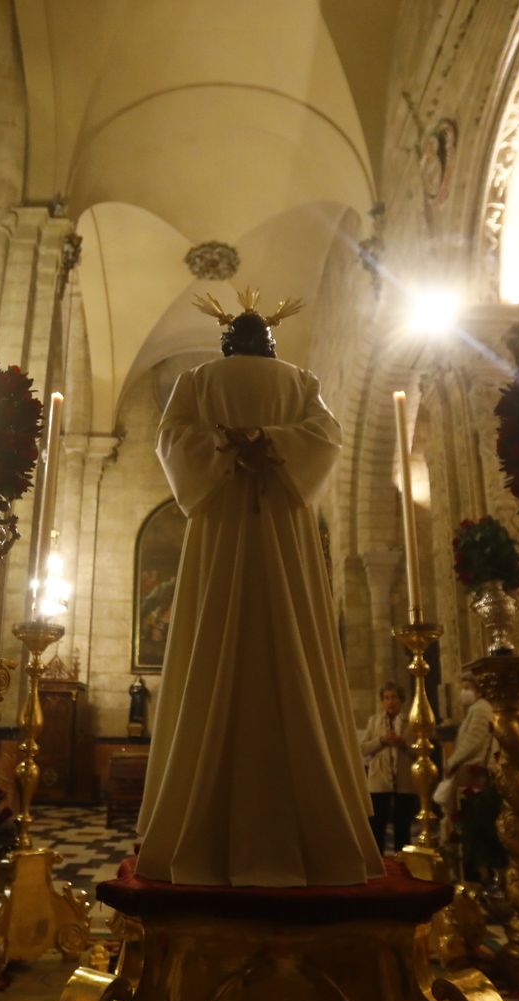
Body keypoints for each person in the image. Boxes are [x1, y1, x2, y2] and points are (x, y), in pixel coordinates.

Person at [135, 293, 384, 887]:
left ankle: (195, 834)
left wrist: (226, 446)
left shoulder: (197, 380)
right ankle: (316, 838)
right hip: (281, 525)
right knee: (294, 641)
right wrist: (269, 444)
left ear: (227, 342)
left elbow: (170, 441)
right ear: (269, 341)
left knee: (209, 642)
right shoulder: (300, 381)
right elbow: (325, 436)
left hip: (219, 527)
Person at [361, 681, 420, 852]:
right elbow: (363, 748)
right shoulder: (374, 722)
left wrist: (403, 744)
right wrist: (381, 741)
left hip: (404, 781)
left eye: (394, 697)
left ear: (401, 701)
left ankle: (403, 864)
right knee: (377, 826)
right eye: (386, 698)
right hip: (379, 781)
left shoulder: (411, 722)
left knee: (403, 827)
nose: (390, 702)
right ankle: (380, 865)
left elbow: (419, 752)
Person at [433, 678, 496, 816]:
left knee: (473, 811)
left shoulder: (480, 709)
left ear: (478, 691)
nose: (463, 692)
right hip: (472, 766)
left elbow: (472, 742)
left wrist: (452, 761)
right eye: (463, 688)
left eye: (467, 688)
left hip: (475, 766)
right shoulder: (476, 708)